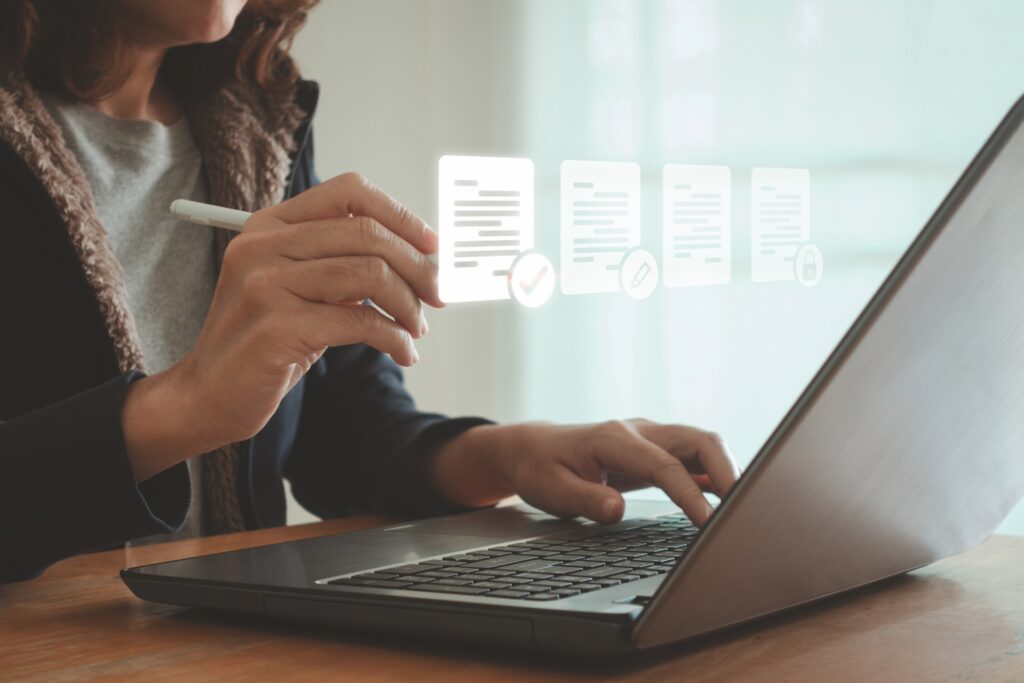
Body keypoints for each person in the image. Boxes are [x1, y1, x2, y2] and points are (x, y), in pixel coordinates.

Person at [0, 0, 739, 584]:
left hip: (218, 651)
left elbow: (341, 430)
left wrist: (513, 455)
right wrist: (184, 407)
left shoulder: (253, 131)